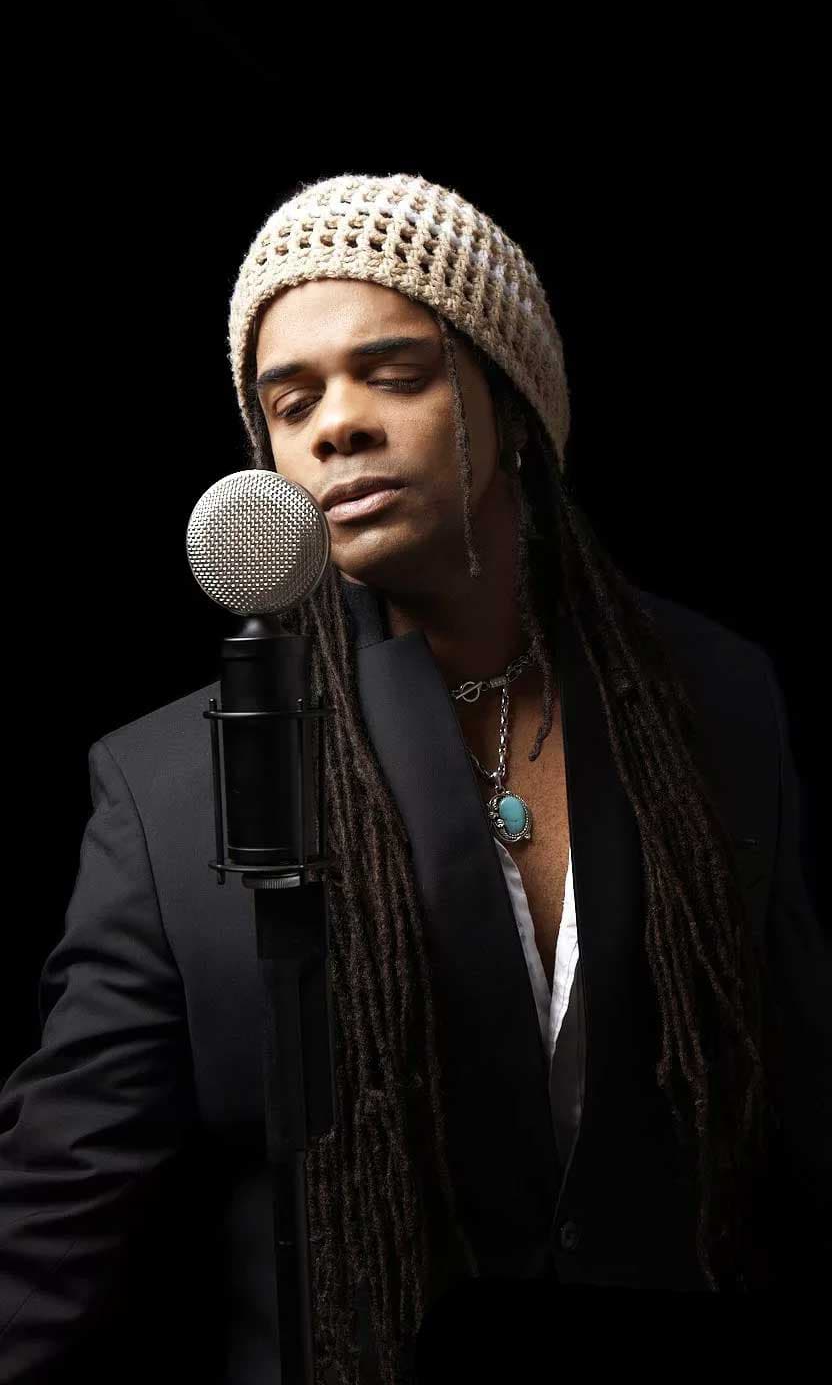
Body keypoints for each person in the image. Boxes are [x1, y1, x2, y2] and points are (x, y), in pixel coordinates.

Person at [1, 172, 829, 1385]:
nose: (336, 425)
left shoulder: (718, 699)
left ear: (511, 401)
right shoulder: (169, 787)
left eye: (394, 373)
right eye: (292, 402)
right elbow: (55, 1232)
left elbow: (800, 1129)